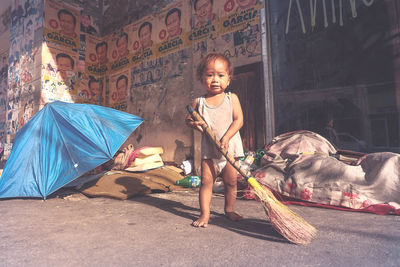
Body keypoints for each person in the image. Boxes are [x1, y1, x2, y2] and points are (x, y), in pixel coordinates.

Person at [186, 52, 244, 227]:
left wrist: (226, 137)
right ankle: (205, 214)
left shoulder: (231, 98)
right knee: (206, 182)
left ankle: (229, 209)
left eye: (220, 75)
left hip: (230, 149)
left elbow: (239, 120)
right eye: (210, 75)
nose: (215, 80)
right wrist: (193, 124)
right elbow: (188, 119)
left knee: (231, 182)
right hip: (210, 151)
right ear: (202, 79)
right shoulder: (199, 101)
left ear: (228, 79)